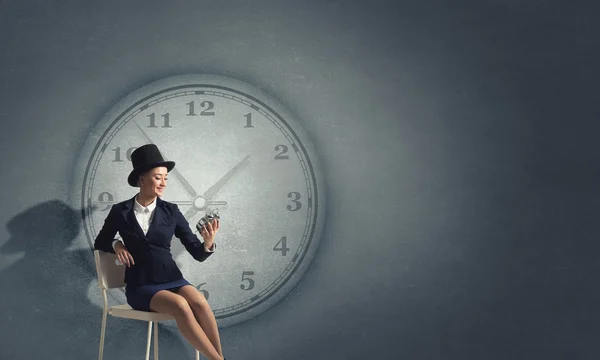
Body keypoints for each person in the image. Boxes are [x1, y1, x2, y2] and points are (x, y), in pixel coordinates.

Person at [93, 144, 226, 360]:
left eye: (165, 178)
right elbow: (101, 241)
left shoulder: (171, 211)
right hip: (141, 285)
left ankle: (219, 358)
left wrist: (208, 243)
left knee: (200, 302)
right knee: (181, 306)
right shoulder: (121, 211)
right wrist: (117, 245)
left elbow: (197, 252)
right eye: (158, 177)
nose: (164, 183)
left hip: (172, 279)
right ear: (142, 179)